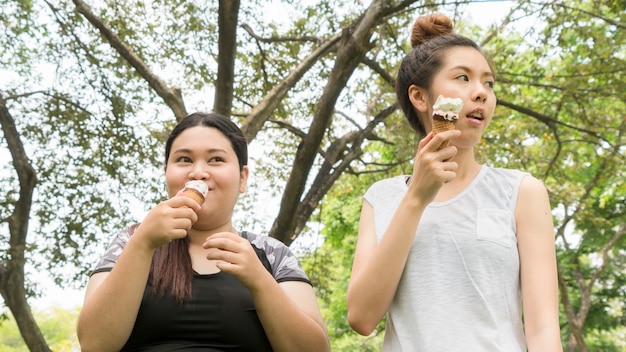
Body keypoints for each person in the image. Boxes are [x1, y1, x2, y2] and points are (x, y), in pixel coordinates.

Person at [346, 13, 562, 352]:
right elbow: (361, 317)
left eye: (488, 83)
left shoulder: (521, 192)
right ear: (420, 97)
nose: (481, 93)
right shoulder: (382, 197)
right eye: (463, 78)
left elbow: (544, 329)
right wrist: (417, 197)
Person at [77, 112, 330, 352]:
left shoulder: (272, 254)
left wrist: (260, 280)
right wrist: (143, 244)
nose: (198, 172)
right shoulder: (131, 242)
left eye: (216, 159)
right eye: (184, 159)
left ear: (243, 178)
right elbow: (94, 344)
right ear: (167, 172)